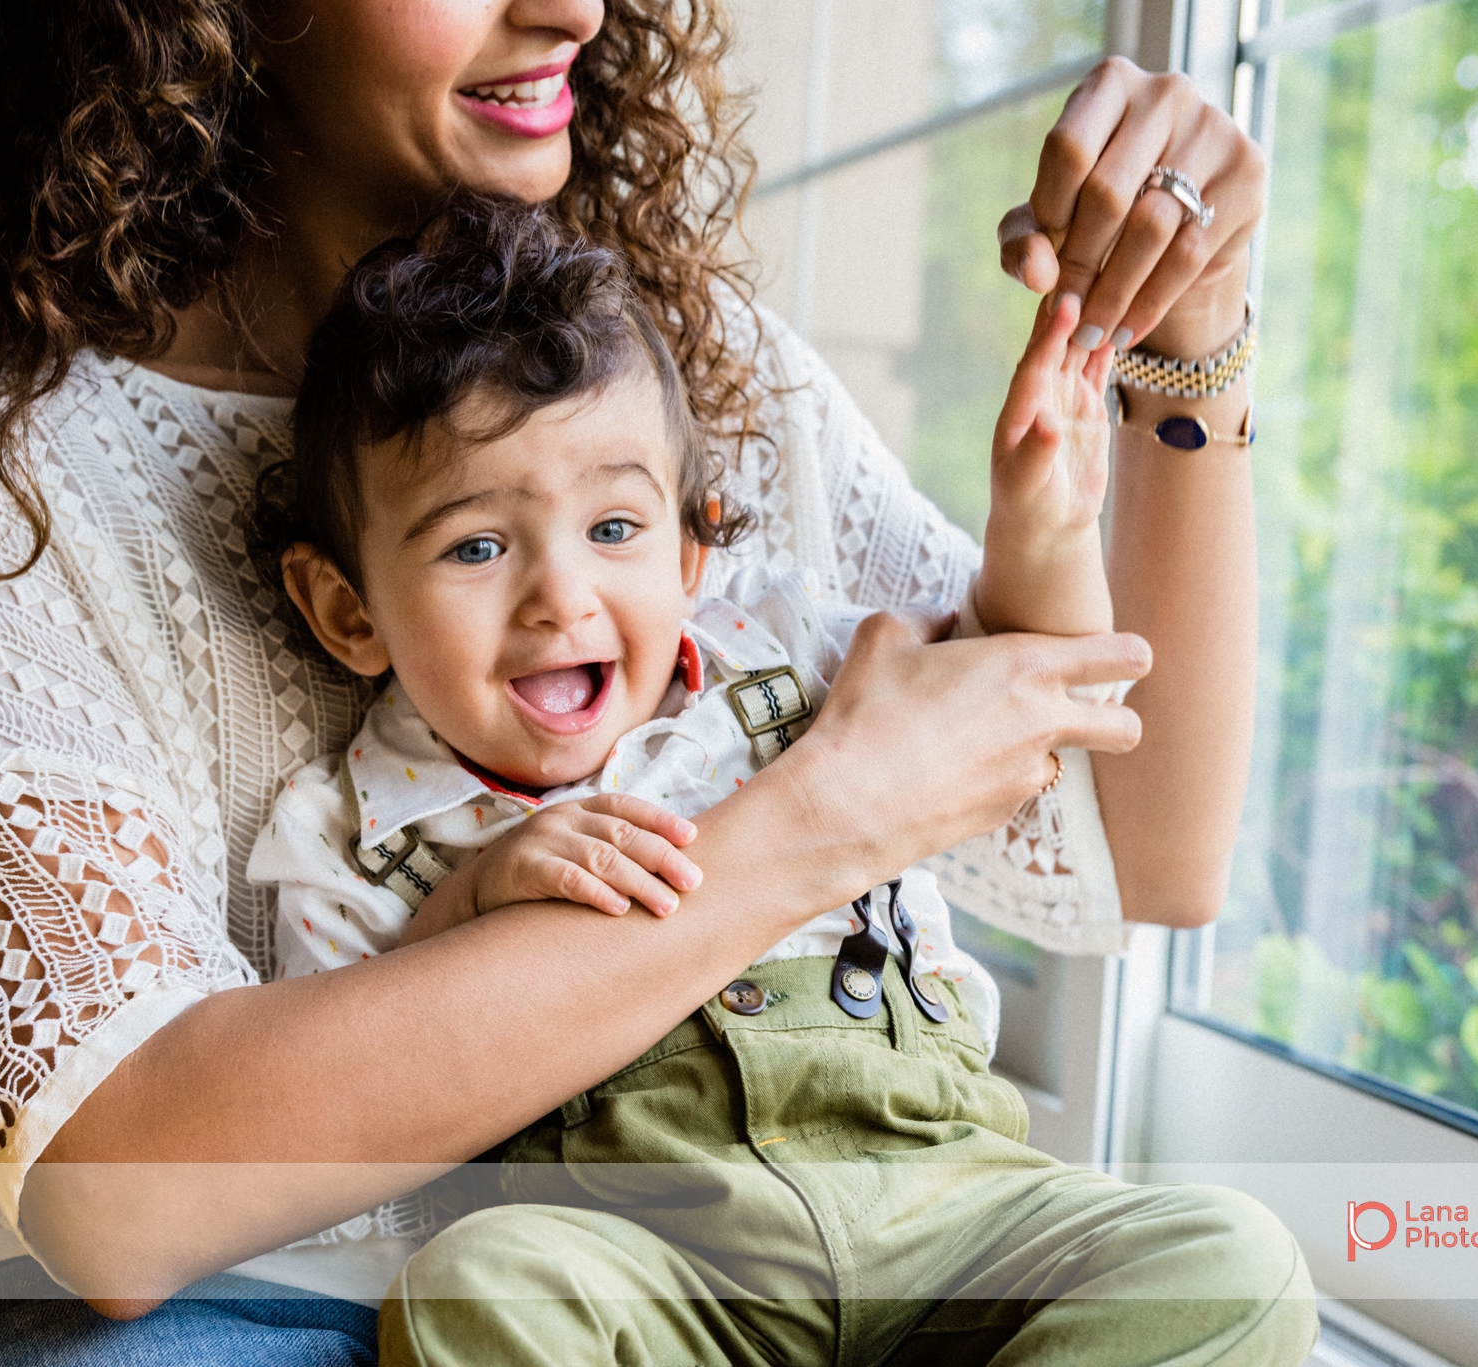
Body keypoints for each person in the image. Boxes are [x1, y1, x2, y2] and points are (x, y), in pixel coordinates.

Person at [0, 0, 1281, 1361]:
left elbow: (1147, 846)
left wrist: (1186, 337)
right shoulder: (31, 475)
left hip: (743, 1265)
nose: (569, 10)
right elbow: (122, 1192)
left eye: (618, 526)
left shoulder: (686, 370)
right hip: (251, 1299)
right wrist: (818, 823)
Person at [246, 195, 1309, 1365]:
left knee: (1230, 1261)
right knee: (473, 1292)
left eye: (612, 526)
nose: (561, 595)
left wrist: (1042, 532)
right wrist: (466, 909)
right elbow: (356, 1129)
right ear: (348, 610)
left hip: (947, 1208)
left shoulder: (790, 651)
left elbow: (1019, 707)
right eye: (477, 547)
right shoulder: (351, 831)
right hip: (659, 1277)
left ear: (690, 553)